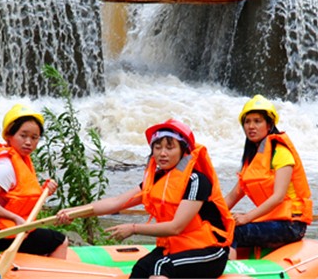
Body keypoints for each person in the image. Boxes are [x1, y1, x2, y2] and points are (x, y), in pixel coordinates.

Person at [57, 119, 234, 279]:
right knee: (141, 269)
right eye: (157, 148)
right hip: (175, 248)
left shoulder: (196, 181)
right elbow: (117, 202)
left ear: (183, 151)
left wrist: (134, 228)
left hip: (210, 251)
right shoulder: (156, 180)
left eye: (169, 147)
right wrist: (73, 212)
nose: (162, 153)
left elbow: (176, 227)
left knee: (160, 267)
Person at [0, 104, 67, 258]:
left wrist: (44, 192)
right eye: (23, 135)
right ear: (9, 135)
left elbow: (18, 199)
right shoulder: (5, 166)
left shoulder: (19, 160)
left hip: (4, 230)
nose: (28, 142)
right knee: (60, 240)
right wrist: (14, 218)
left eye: (34, 138)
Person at [224, 95, 313, 259]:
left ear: (269, 124)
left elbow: (278, 197)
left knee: (233, 232)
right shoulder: (253, 159)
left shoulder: (281, 152)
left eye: (257, 121)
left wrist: (246, 217)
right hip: (272, 220)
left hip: (291, 225)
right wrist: (206, 217)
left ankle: (230, 274)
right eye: (247, 121)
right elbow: (233, 196)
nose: (251, 126)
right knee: (219, 229)